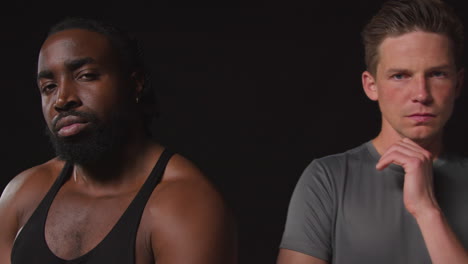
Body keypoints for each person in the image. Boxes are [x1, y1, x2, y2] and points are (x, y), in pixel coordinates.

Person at [0, 18, 236, 264]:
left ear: (135, 84)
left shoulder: (185, 205)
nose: (62, 99)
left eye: (86, 76)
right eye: (48, 87)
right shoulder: (23, 194)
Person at [277, 0, 468, 263]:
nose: (421, 94)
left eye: (437, 74)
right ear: (371, 86)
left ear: (458, 84)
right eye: (400, 76)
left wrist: (426, 210)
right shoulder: (327, 179)